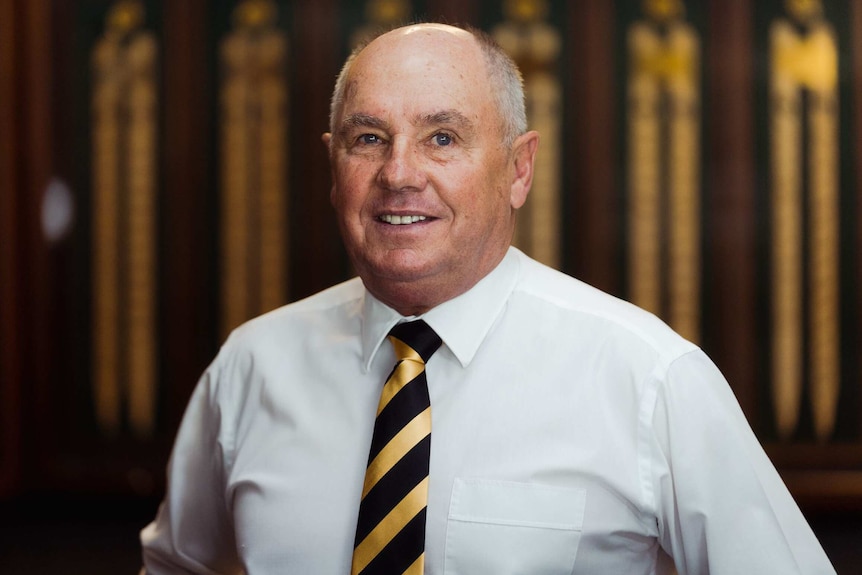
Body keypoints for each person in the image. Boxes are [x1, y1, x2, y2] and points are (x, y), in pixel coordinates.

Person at [140, 22, 835, 574]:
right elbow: (176, 564)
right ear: (333, 165)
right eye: (368, 139)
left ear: (519, 168)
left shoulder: (648, 378)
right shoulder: (252, 364)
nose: (399, 173)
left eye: (443, 137)